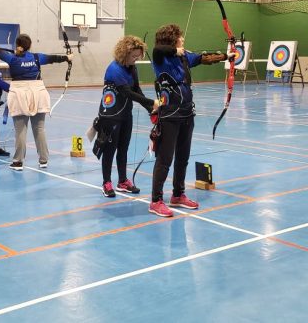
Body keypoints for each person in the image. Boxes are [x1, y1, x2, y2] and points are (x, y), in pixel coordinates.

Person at [149, 24, 234, 217]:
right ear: (172, 40)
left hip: (187, 112)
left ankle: (178, 195)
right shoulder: (161, 57)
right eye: (180, 37)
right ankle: (156, 201)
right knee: (164, 159)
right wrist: (175, 50)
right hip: (169, 114)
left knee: (183, 157)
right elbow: (157, 48)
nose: (183, 40)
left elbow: (204, 58)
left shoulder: (184, 56)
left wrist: (227, 56)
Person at [0, 34, 72, 171]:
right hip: (38, 93)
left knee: (20, 131)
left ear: (18, 45)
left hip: (19, 94)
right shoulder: (36, 57)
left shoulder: (12, 57)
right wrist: (67, 57)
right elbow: (53, 58)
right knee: (39, 129)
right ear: (30, 46)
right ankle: (43, 160)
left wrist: (16, 51)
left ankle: (18, 162)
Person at [94, 35, 158, 198]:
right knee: (109, 150)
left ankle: (122, 181)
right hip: (111, 116)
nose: (136, 59)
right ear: (124, 53)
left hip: (125, 115)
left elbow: (136, 89)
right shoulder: (114, 69)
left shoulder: (132, 68)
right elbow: (127, 93)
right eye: (133, 56)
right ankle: (106, 182)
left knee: (123, 149)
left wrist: (150, 108)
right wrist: (153, 102)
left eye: (138, 56)